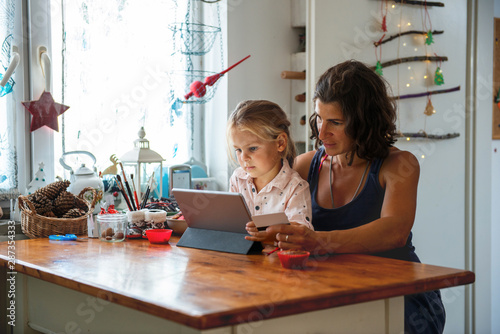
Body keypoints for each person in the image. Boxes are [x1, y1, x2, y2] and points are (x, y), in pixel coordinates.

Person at [262, 60, 445, 334]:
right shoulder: (303, 165)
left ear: (365, 121)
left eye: (335, 122)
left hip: (399, 296)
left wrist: (318, 241)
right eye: (319, 118)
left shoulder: (399, 165)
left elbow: (394, 231)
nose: (322, 132)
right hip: (331, 291)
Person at [227, 100, 313, 244]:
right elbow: (229, 222)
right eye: (238, 150)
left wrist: (273, 236)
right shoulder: (237, 178)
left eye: (252, 148)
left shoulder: (295, 187)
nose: (244, 158)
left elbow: (302, 235)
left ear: (280, 143)